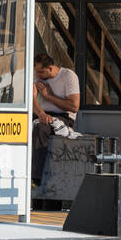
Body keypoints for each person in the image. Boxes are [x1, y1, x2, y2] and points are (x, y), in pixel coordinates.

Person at [31, 53, 80, 188]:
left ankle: (35, 178)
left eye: (41, 71)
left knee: (41, 128)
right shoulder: (36, 75)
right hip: (41, 114)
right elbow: (31, 99)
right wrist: (41, 113)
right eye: (36, 71)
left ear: (51, 68)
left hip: (63, 116)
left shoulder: (68, 76)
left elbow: (74, 107)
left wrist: (48, 96)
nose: (38, 74)